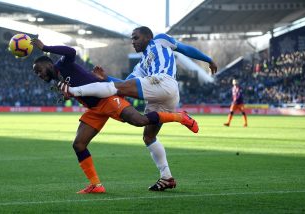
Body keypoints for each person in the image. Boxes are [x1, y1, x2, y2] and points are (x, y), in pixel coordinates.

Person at [59, 26, 217, 191]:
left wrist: (208, 59)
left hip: (163, 81)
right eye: (132, 39)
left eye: (136, 38)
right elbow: (125, 84)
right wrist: (106, 78)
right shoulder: (141, 66)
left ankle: (72, 90)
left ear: (148, 37)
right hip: (161, 95)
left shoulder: (160, 40)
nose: (133, 42)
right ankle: (166, 177)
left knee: (117, 89)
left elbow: (185, 49)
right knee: (149, 137)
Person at [31, 38, 197, 194]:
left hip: (108, 98)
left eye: (39, 70)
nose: (38, 75)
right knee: (79, 145)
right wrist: (70, 95)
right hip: (94, 109)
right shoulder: (57, 81)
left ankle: (180, 117)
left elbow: (71, 51)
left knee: (139, 121)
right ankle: (96, 185)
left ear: (48, 64)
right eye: (36, 74)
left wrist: (45, 48)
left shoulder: (63, 64)